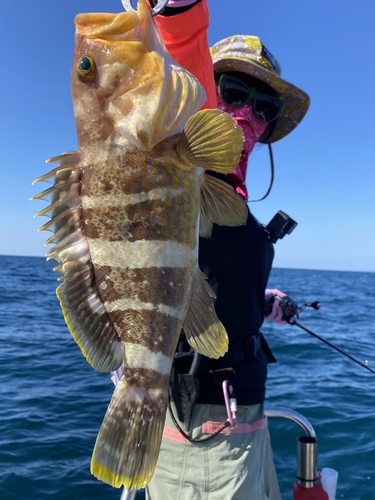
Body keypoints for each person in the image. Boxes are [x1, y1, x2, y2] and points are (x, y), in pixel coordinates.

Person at [117, 1, 310, 498]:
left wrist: (262, 303)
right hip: (204, 436)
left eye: (263, 109)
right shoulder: (190, 163)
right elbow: (184, 66)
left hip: (244, 427)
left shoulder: (230, 196)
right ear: (208, 96)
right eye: (234, 93)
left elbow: (204, 279)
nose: (248, 114)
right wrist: (176, 11)